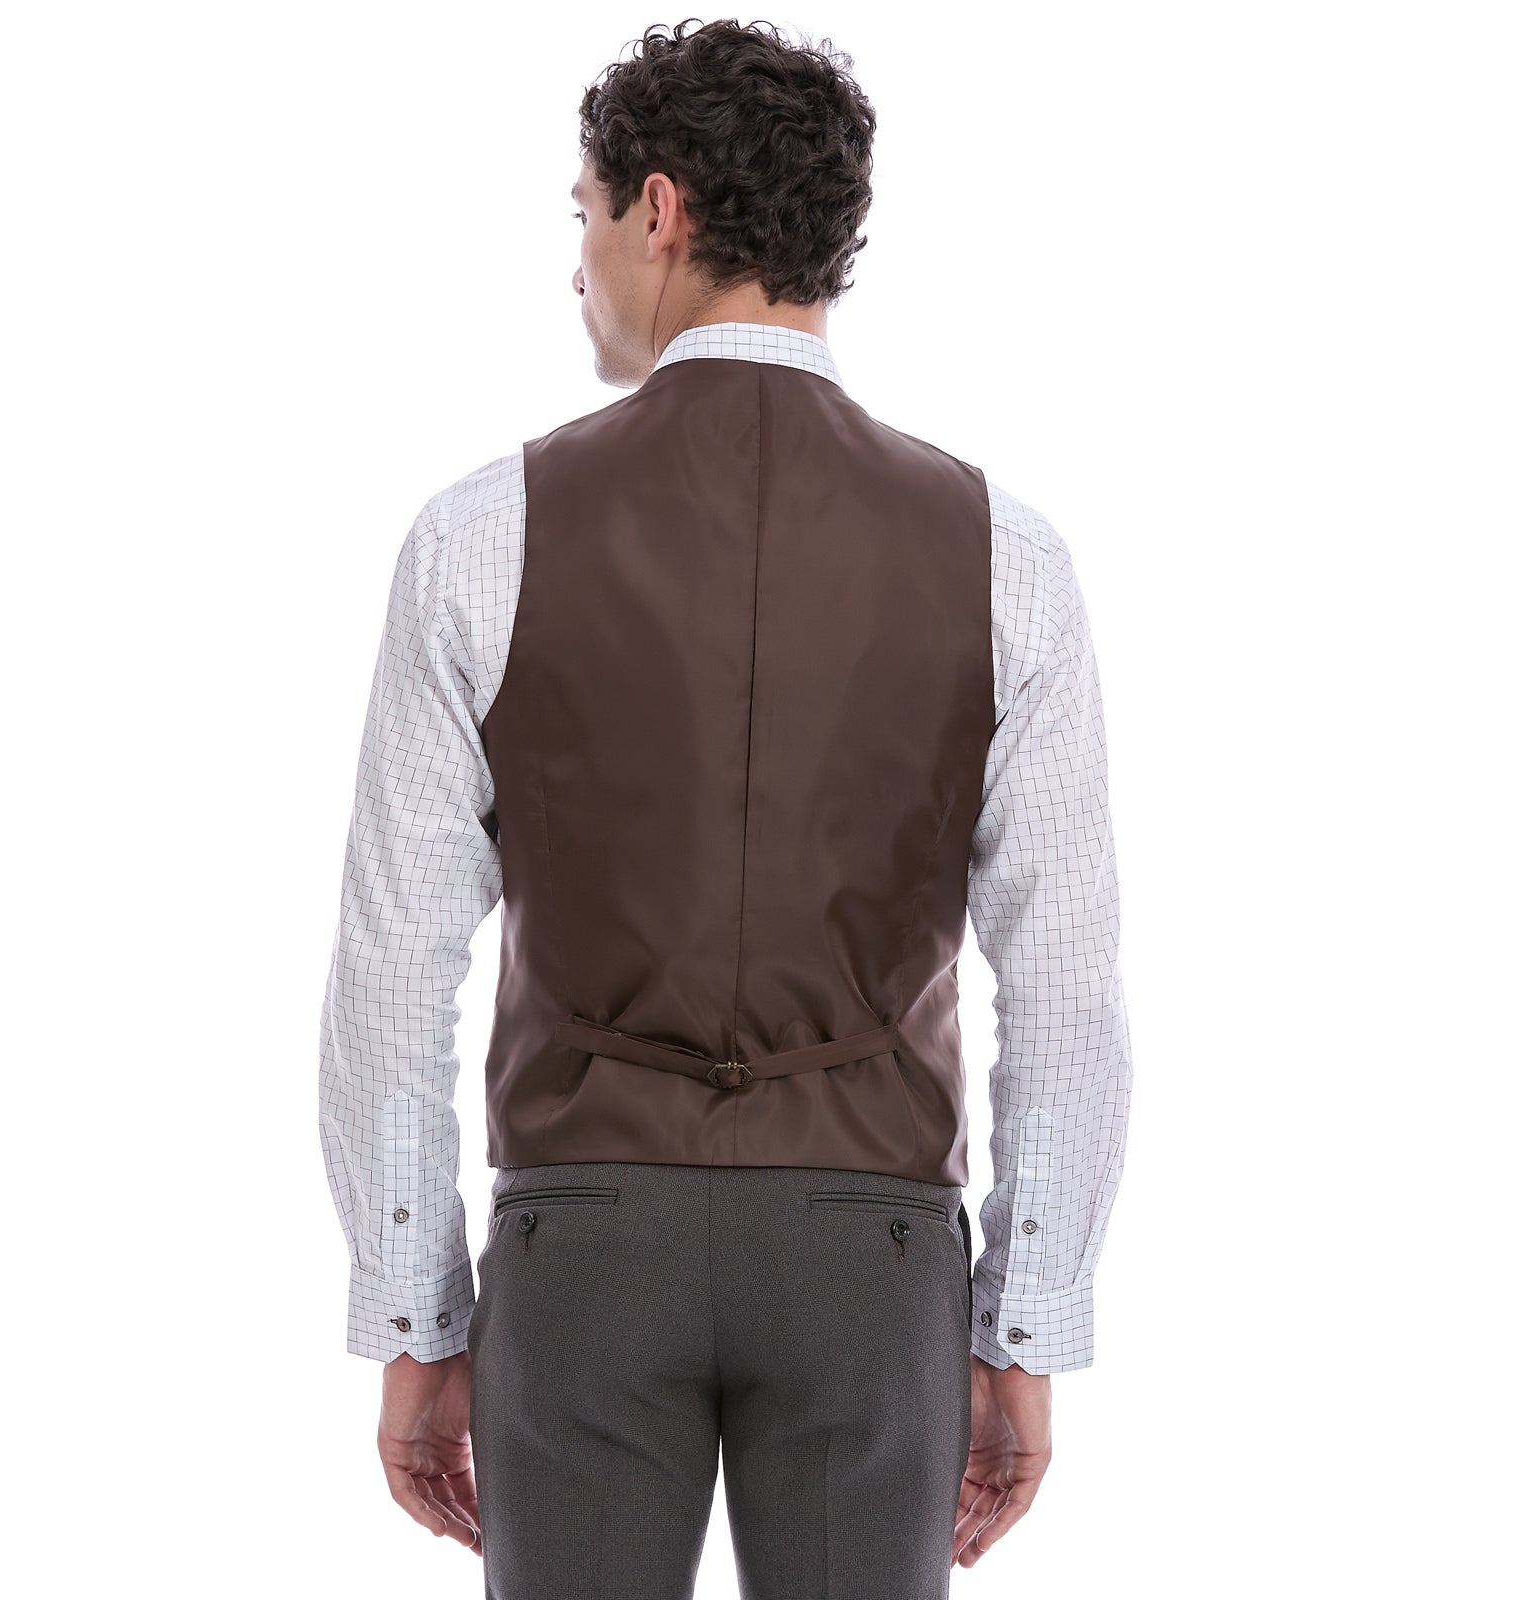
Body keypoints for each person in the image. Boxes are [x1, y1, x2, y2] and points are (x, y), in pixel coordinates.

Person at [318, 18, 1132, 1597]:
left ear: (660, 211)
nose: (573, 264)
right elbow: (1066, 986)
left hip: (583, 1248)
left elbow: (390, 967)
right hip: (869, 1260)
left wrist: (416, 1320)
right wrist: (1025, 1331)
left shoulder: (482, 535)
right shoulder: (1004, 557)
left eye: (581, 213)